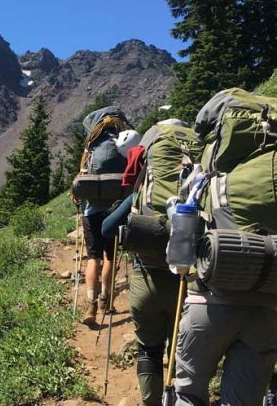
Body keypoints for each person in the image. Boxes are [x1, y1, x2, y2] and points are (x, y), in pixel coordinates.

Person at [102, 119, 190, 406]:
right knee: (182, 351)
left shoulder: (143, 190)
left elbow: (107, 229)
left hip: (146, 282)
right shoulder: (201, 186)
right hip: (186, 286)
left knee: (149, 351)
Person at [78, 107, 132, 326]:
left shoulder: (92, 147)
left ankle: (90, 304)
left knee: (93, 258)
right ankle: (105, 301)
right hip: (115, 211)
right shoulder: (122, 145)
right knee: (109, 256)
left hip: (92, 210)